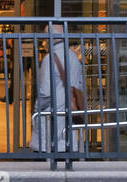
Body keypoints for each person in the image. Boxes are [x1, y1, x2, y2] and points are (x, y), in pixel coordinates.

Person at [31, 23, 86, 155]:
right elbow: (79, 84)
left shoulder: (49, 59)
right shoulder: (74, 57)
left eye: (45, 37)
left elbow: (45, 91)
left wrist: (37, 108)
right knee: (67, 148)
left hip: (52, 112)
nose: (44, 41)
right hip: (70, 110)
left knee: (50, 150)